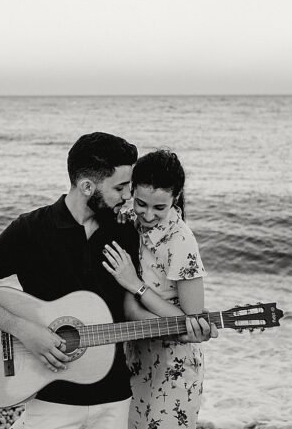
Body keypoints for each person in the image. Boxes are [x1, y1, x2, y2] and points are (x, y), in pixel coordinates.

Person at [0, 133, 213, 429]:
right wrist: (24, 330)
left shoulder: (125, 232)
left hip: (115, 397)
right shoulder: (31, 230)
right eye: (121, 187)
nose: (128, 197)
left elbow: (131, 312)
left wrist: (180, 330)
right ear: (88, 186)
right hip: (50, 396)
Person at [102, 149, 211, 429]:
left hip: (174, 363)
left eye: (159, 208)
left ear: (175, 198)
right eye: (141, 203)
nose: (148, 214)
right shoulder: (128, 222)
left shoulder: (181, 241)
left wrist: (135, 285)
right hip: (136, 353)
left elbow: (190, 321)